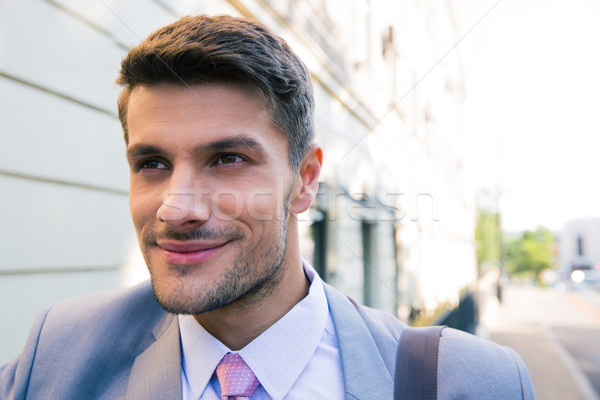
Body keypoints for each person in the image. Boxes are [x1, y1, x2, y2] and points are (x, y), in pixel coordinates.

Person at [0, 14, 534, 400]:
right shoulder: (58, 352)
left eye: (227, 159)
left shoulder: (465, 380)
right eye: (153, 164)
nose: (176, 208)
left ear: (304, 182)